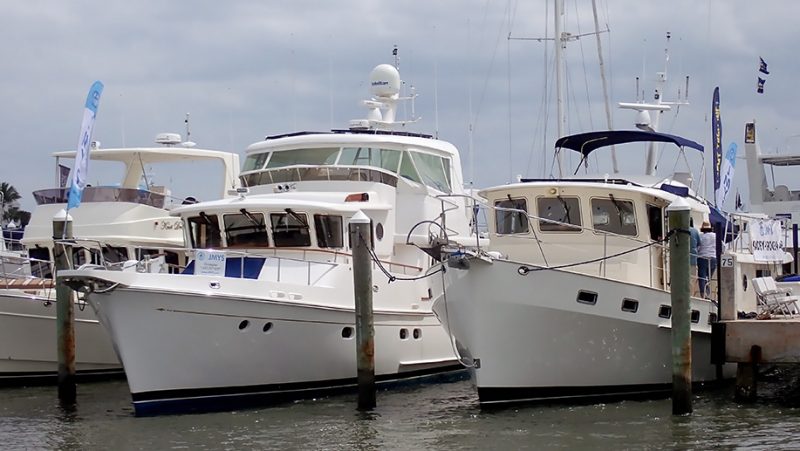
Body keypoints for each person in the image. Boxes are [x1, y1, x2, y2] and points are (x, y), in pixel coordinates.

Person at [697, 220, 717, 298]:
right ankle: (708, 293)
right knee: (708, 278)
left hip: (702, 258)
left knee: (702, 277)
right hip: (713, 258)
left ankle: (703, 295)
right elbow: (722, 246)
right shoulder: (715, 236)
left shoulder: (701, 236)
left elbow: (698, 247)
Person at [689, 218, 700, 297]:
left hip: (681, 258)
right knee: (692, 279)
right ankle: (691, 295)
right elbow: (699, 243)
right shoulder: (695, 231)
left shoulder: (681, 230)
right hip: (693, 258)